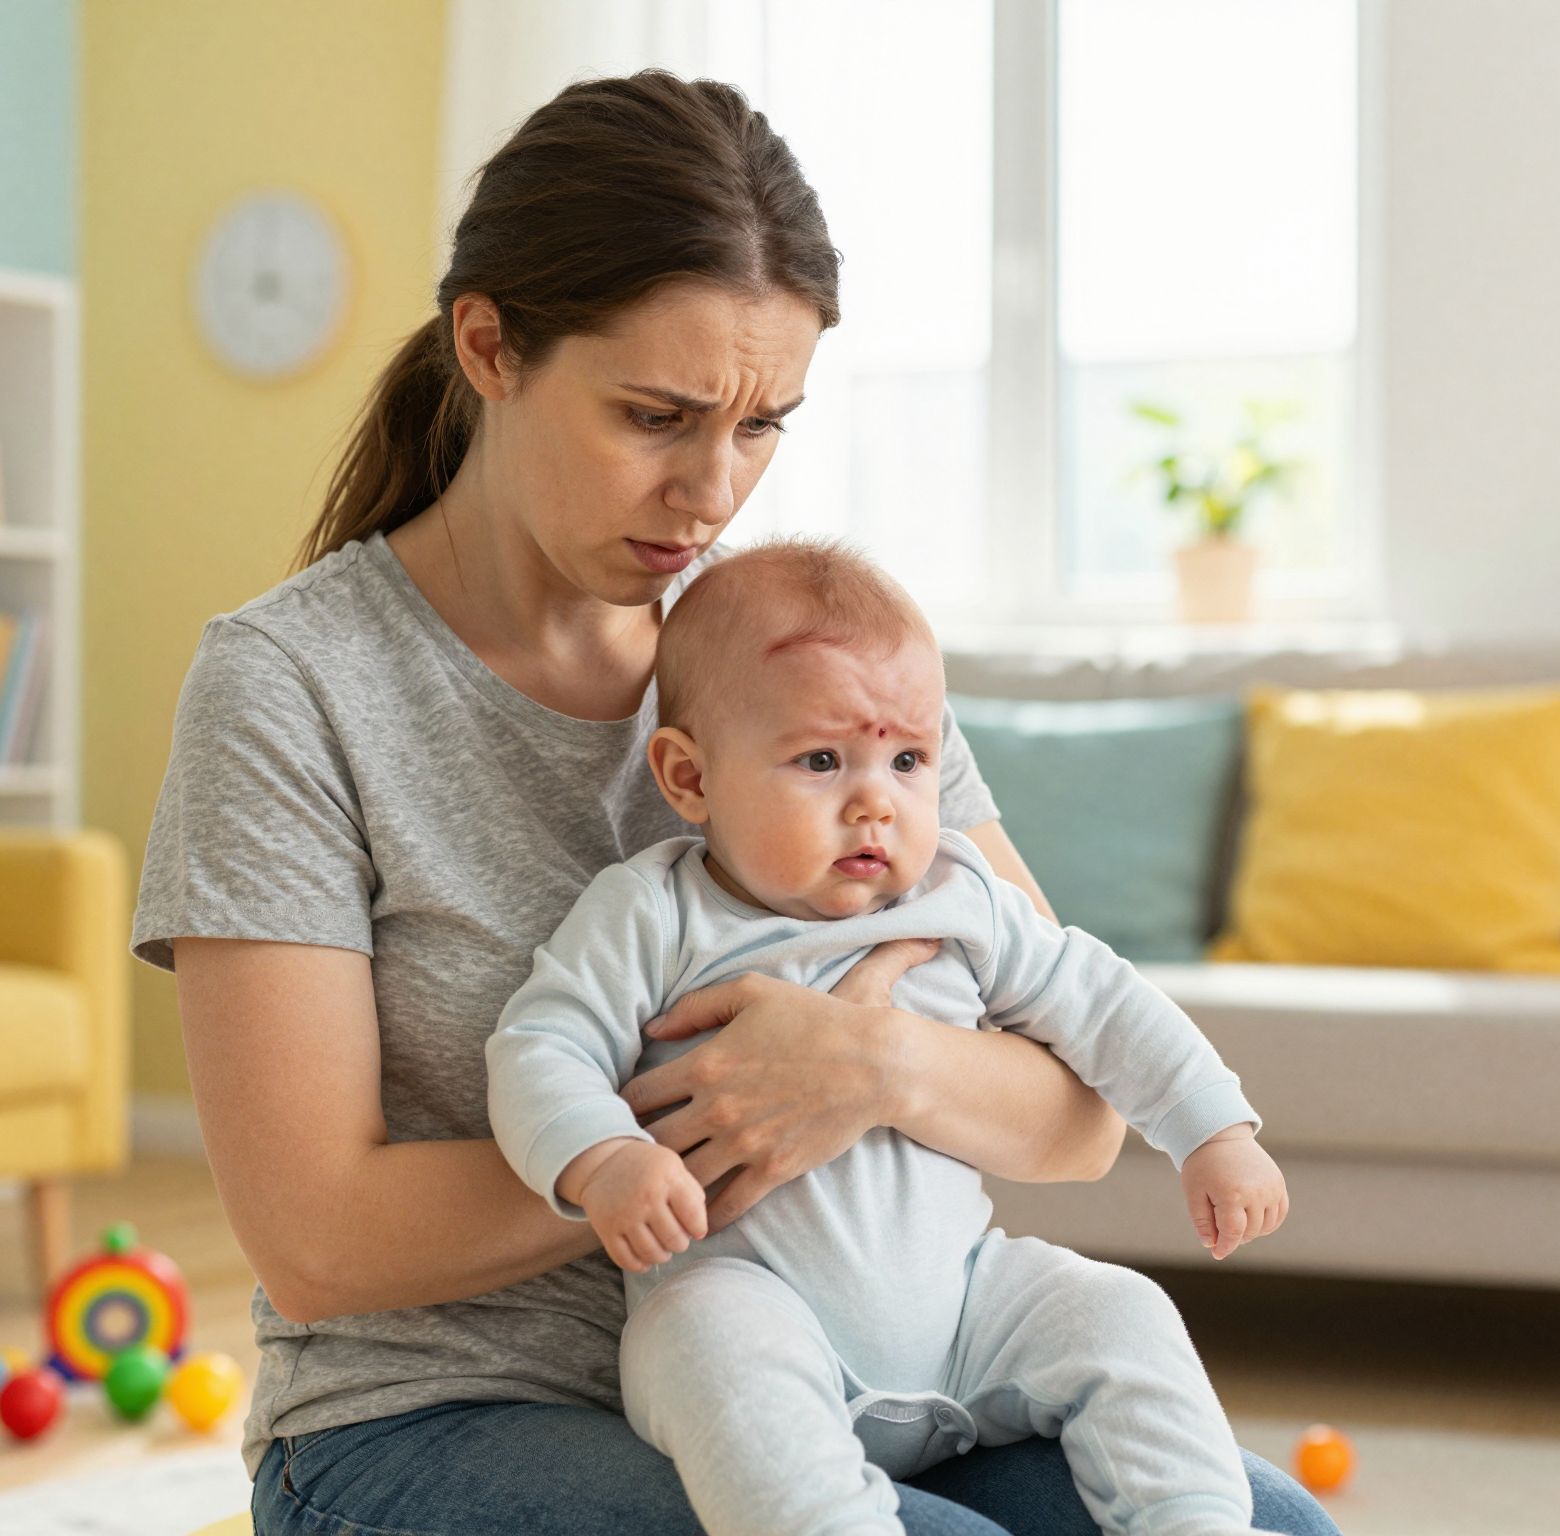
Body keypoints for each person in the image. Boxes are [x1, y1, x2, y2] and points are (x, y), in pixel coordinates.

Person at [130, 69, 1341, 1536]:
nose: (714, 491)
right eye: (658, 416)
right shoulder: (293, 686)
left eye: (764, 424)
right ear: (490, 345)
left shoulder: (809, 673)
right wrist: (721, 1122)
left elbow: (1073, 1116)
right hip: (438, 1420)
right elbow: (318, 1242)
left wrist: (871, 1069)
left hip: (879, 1371)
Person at [487, 536, 1291, 1535]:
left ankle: (1191, 1521)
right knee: (700, 1340)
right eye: (821, 760)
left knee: (1119, 1310)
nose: (875, 799)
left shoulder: (958, 895)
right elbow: (539, 1045)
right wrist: (599, 1158)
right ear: (688, 778)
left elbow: (1103, 1001)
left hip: (964, 1314)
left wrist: (1213, 1129)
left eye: (907, 759)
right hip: (759, 1309)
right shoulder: (653, 913)